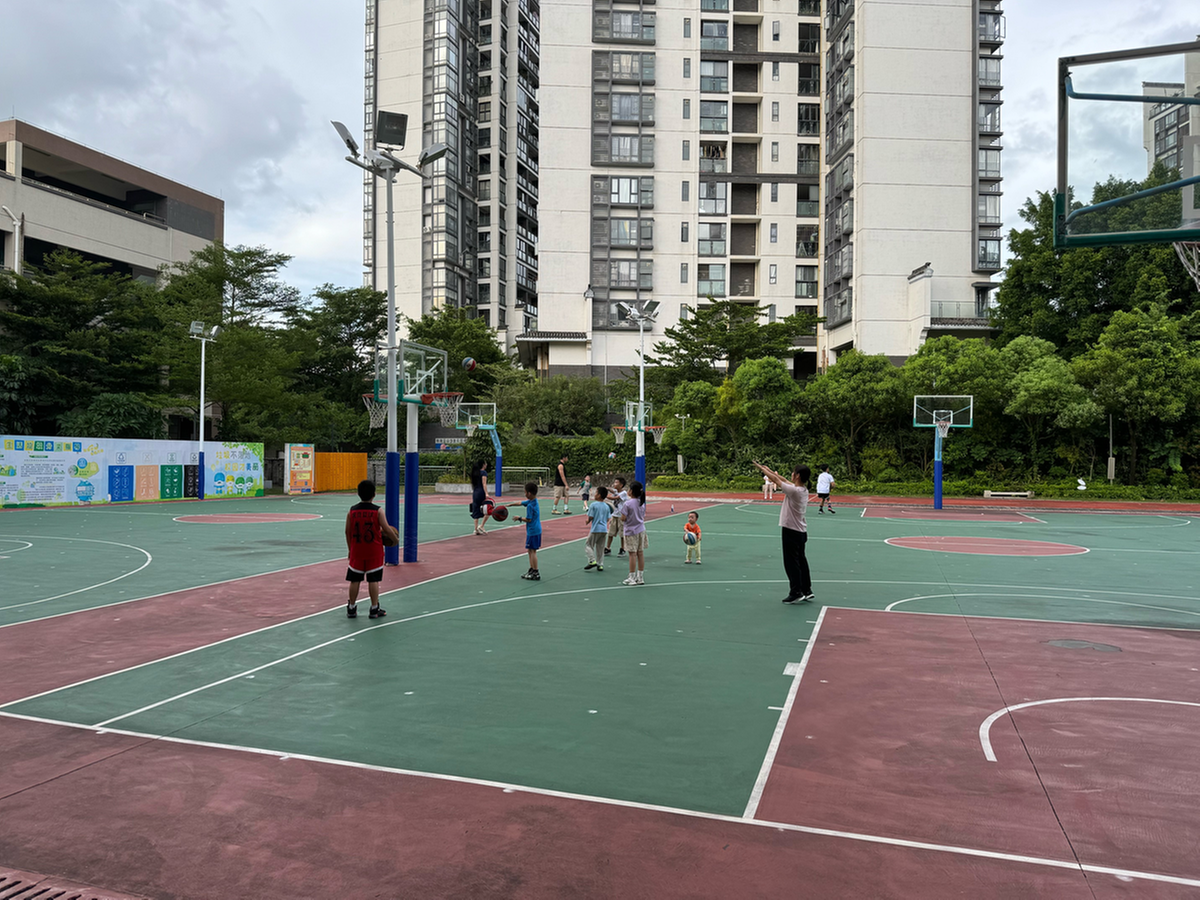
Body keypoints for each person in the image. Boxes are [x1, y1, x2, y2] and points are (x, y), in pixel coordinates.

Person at [753, 461, 813, 604]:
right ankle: (806, 589)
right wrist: (770, 471)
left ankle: (796, 591)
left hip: (791, 531)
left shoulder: (794, 491)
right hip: (801, 531)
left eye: (794, 472)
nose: (791, 474)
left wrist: (763, 469)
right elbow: (783, 480)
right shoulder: (802, 490)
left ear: (797, 476)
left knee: (791, 563)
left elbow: (777, 481)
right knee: (801, 561)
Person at [345, 479, 397, 619]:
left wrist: (350, 549)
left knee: (355, 580)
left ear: (358, 494)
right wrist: (395, 540)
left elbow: (347, 531)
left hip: (357, 550)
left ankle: (351, 608)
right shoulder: (378, 511)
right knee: (373, 580)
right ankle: (374, 609)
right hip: (374, 550)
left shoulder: (352, 511)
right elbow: (386, 528)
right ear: (374, 494)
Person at [512, 481, 542, 580]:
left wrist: (519, 518)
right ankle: (532, 569)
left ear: (528, 493)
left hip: (533, 531)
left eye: (525, 492)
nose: (524, 494)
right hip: (536, 530)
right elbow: (520, 503)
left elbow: (529, 519)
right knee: (530, 550)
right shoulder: (533, 501)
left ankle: (535, 571)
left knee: (532, 551)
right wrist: (510, 505)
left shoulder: (530, 506)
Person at [620, 480, 648, 585]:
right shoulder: (641, 503)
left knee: (632, 554)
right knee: (640, 553)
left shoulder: (628, 503)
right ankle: (640, 577)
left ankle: (631, 577)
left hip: (631, 531)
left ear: (631, 491)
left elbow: (623, 518)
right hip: (641, 530)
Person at [584, 486, 611, 571]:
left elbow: (591, 516)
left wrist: (588, 521)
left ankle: (592, 560)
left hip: (595, 529)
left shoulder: (593, 505)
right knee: (600, 547)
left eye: (596, 493)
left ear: (599, 495)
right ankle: (600, 564)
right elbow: (608, 518)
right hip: (604, 529)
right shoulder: (606, 506)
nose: (594, 494)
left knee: (588, 544)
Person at [604, 476, 628, 556]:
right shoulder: (616, 491)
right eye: (614, 482)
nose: (615, 484)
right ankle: (608, 548)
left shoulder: (623, 493)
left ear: (621, 485)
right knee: (611, 532)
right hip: (614, 515)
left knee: (622, 534)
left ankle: (622, 548)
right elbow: (612, 490)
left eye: (616, 482)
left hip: (621, 516)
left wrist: (605, 496)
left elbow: (615, 498)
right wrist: (606, 488)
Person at [469, 460, 492, 534]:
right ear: (483, 465)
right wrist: (486, 493)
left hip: (475, 493)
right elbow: (484, 484)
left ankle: (475, 529)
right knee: (490, 507)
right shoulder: (483, 473)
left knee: (475, 509)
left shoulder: (475, 473)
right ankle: (481, 525)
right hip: (481, 492)